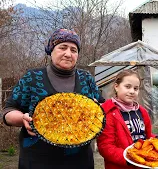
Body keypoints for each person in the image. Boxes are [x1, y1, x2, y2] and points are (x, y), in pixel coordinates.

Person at [1, 28, 105, 169]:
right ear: (51, 50)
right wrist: (22, 119)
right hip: (37, 160)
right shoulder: (32, 77)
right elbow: (8, 112)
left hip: (80, 161)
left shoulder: (86, 78)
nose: (68, 54)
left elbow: (103, 110)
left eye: (74, 50)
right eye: (63, 47)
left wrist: (97, 111)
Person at [97, 69, 154, 169]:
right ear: (116, 87)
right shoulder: (107, 112)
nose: (132, 91)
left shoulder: (142, 111)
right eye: (127, 87)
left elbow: (148, 136)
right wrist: (130, 158)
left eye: (136, 88)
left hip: (143, 164)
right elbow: (105, 146)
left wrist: (157, 139)